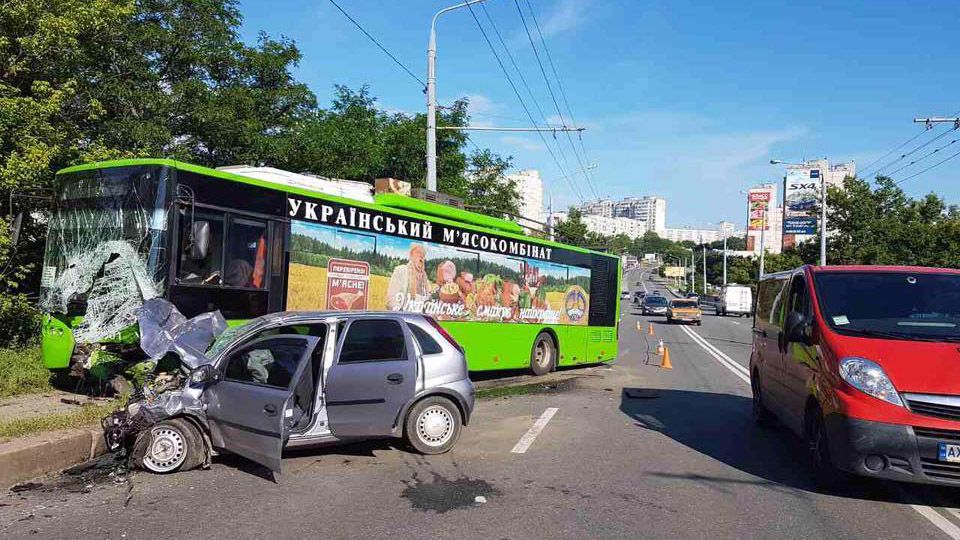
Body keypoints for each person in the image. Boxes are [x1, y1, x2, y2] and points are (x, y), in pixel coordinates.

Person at [386, 244, 431, 310]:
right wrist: (402, 313)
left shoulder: (425, 280)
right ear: (411, 256)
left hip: (421, 318)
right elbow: (391, 300)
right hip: (404, 317)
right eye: (418, 253)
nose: (421, 256)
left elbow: (429, 301)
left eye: (423, 255)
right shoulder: (401, 271)